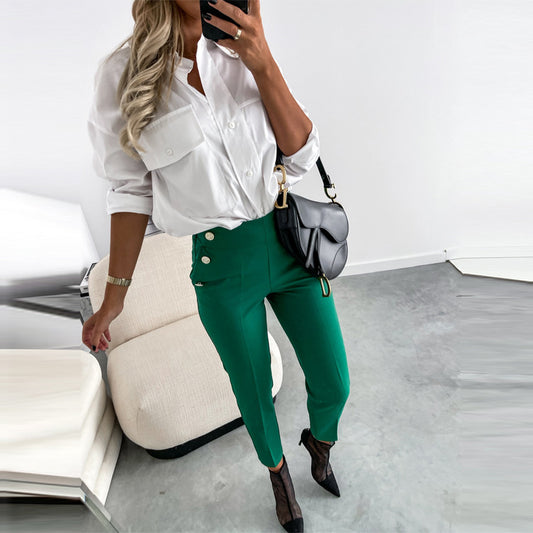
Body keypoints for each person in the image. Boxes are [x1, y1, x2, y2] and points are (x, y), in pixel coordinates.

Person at [82, 1, 350, 531]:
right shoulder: (122, 74)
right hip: (221, 266)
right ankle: (278, 476)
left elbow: (300, 156)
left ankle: (319, 443)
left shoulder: (243, 47)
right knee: (253, 390)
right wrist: (113, 298)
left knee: (334, 381)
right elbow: (130, 192)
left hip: (288, 242)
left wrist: (263, 62)